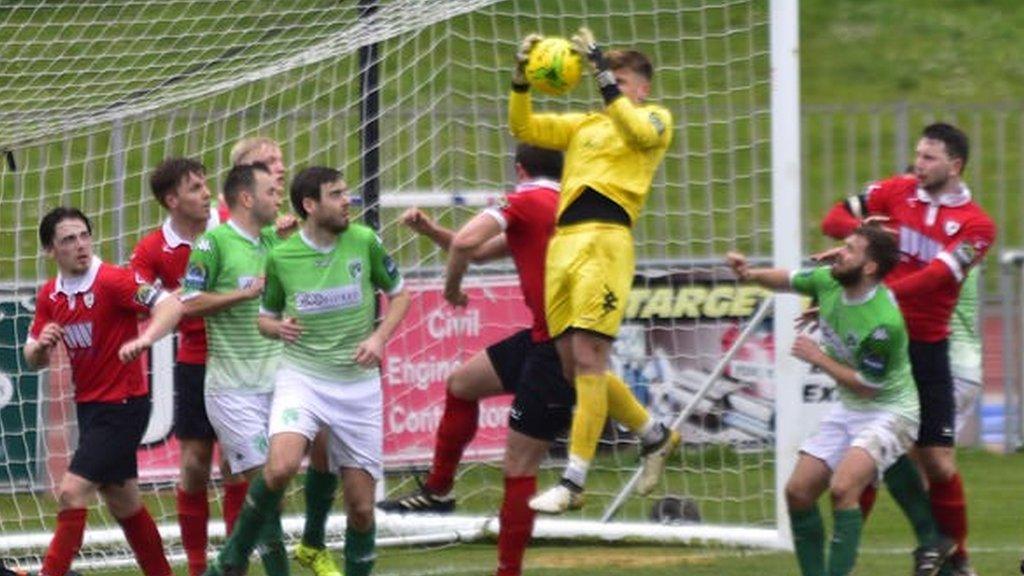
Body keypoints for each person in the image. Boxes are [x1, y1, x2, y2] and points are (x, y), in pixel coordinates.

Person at [377, 144, 669, 576]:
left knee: (519, 464)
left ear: (519, 169)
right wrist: (432, 230)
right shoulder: (564, 204)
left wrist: (451, 288)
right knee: (461, 384)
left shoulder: (525, 199)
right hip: (544, 338)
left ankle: (508, 570)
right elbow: (475, 250)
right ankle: (438, 491)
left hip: (555, 349)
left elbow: (466, 245)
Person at [204, 166, 410, 576]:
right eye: (336, 195)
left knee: (362, 509)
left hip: (357, 387)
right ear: (310, 205)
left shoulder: (365, 242)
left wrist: (378, 339)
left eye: (346, 193)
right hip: (303, 380)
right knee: (278, 468)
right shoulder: (282, 256)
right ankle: (233, 558)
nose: (346, 202)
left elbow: (400, 295)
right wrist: (276, 327)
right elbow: (265, 318)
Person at [508, 27, 677, 513]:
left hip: (606, 239)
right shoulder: (584, 125)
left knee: (589, 361)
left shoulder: (653, 118)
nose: (612, 87)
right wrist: (521, 80)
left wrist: (603, 75)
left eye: (621, 81)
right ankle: (654, 435)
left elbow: (639, 132)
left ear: (641, 88)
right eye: (610, 79)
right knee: (573, 365)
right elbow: (524, 129)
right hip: (565, 246)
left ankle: (574, 481)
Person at [821, 123, 996, 576]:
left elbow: (938, 276)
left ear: (954, 165)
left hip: (929, 347)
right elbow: (832, 219)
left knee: (937, 462)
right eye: (917, 155)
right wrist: (861, 229)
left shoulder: (978, 226)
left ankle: (956, 556)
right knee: (868, 457)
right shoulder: (895, 191)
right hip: (887, 345)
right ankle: (841, 559)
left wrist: (884, 296)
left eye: (929, 158)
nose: (918, 165)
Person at [729, 225, 953, 576]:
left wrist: (817, 357)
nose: (838, 253)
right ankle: (934, 540)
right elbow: (786, 279)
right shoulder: (829, 281)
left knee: (843, 488)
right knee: (798, 493)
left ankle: (930, 539)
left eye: (850, 249)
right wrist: (749, 274)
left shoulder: (883, 323)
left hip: (890, 410)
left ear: (869, 268)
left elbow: (867, 386)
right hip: (851, 408)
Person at [23, 207, 182, 576]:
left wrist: (145, 339)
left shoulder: (114, 281)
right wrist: (41, 346)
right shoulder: (51, 296)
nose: (80, 245)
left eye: (84, 236)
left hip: (124, 406)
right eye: (68, 239)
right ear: (50, 250)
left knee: (70, 493)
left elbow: (171, 305)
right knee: (124, 503)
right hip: (92, 409)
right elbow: (33, 359)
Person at [129, 157, 249, 576]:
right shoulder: (151, 248)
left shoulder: (232, 225)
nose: (204, 194)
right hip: (195, 357)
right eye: (195, 188)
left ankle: (234, 563)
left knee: (237, 462)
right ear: (172, 200)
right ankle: (197, 567)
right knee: (195, 464)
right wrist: (180, 296)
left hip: (241, 354)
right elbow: (137, 293)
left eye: (204, 184)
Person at [229, 136, 337, 576]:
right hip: (240, 369)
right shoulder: (231, 231)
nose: (279, 167)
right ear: (244, 182)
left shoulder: (295, 226)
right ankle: (241, 560)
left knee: (326, 441)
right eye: (267, 163)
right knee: (259, 474)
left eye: (280, 161)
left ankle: (312, 542)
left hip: (290, 363)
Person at [183, 163, 289, 575]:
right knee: (267, 484)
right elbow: (189, 301)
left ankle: (226, 565)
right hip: (232, 391)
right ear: (246, 198)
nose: (278, 198)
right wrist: (242, 294)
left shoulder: (273, 244)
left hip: (277, 385)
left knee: (274, 491)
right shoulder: (213, 244)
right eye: (270, 191)